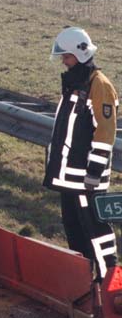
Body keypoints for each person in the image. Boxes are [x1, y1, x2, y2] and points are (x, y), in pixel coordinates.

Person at [45, 27, 118, 280]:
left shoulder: (99, 85)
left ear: (80, 54)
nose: (64, 62)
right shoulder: (75, 83)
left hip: (86, 179)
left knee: (96, 230)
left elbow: (105, 134)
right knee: (74, 231)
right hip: (69, 178)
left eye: (66, 57)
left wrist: (93, 174)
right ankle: (84, 280)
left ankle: (108, 280)